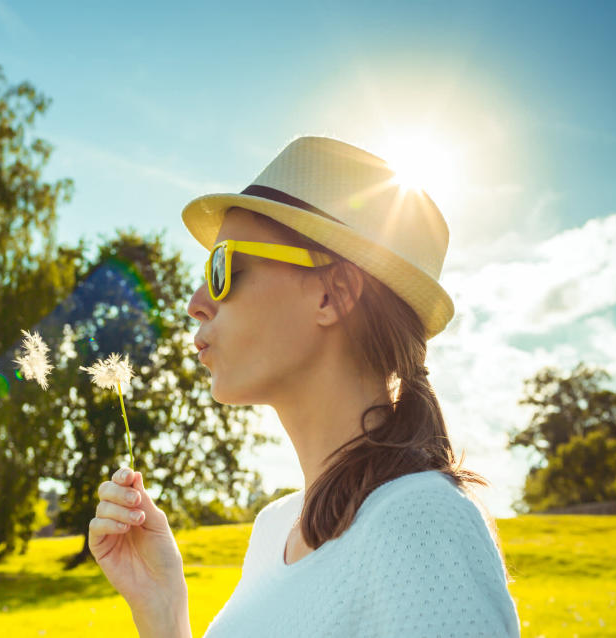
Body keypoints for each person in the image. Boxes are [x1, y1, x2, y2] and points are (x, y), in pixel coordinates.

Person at [88, 136, 522, 637]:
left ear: (330, 293)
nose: (196, 301)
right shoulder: (274, 529)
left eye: (222, 267)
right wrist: (161, 607)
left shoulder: (422, 522)